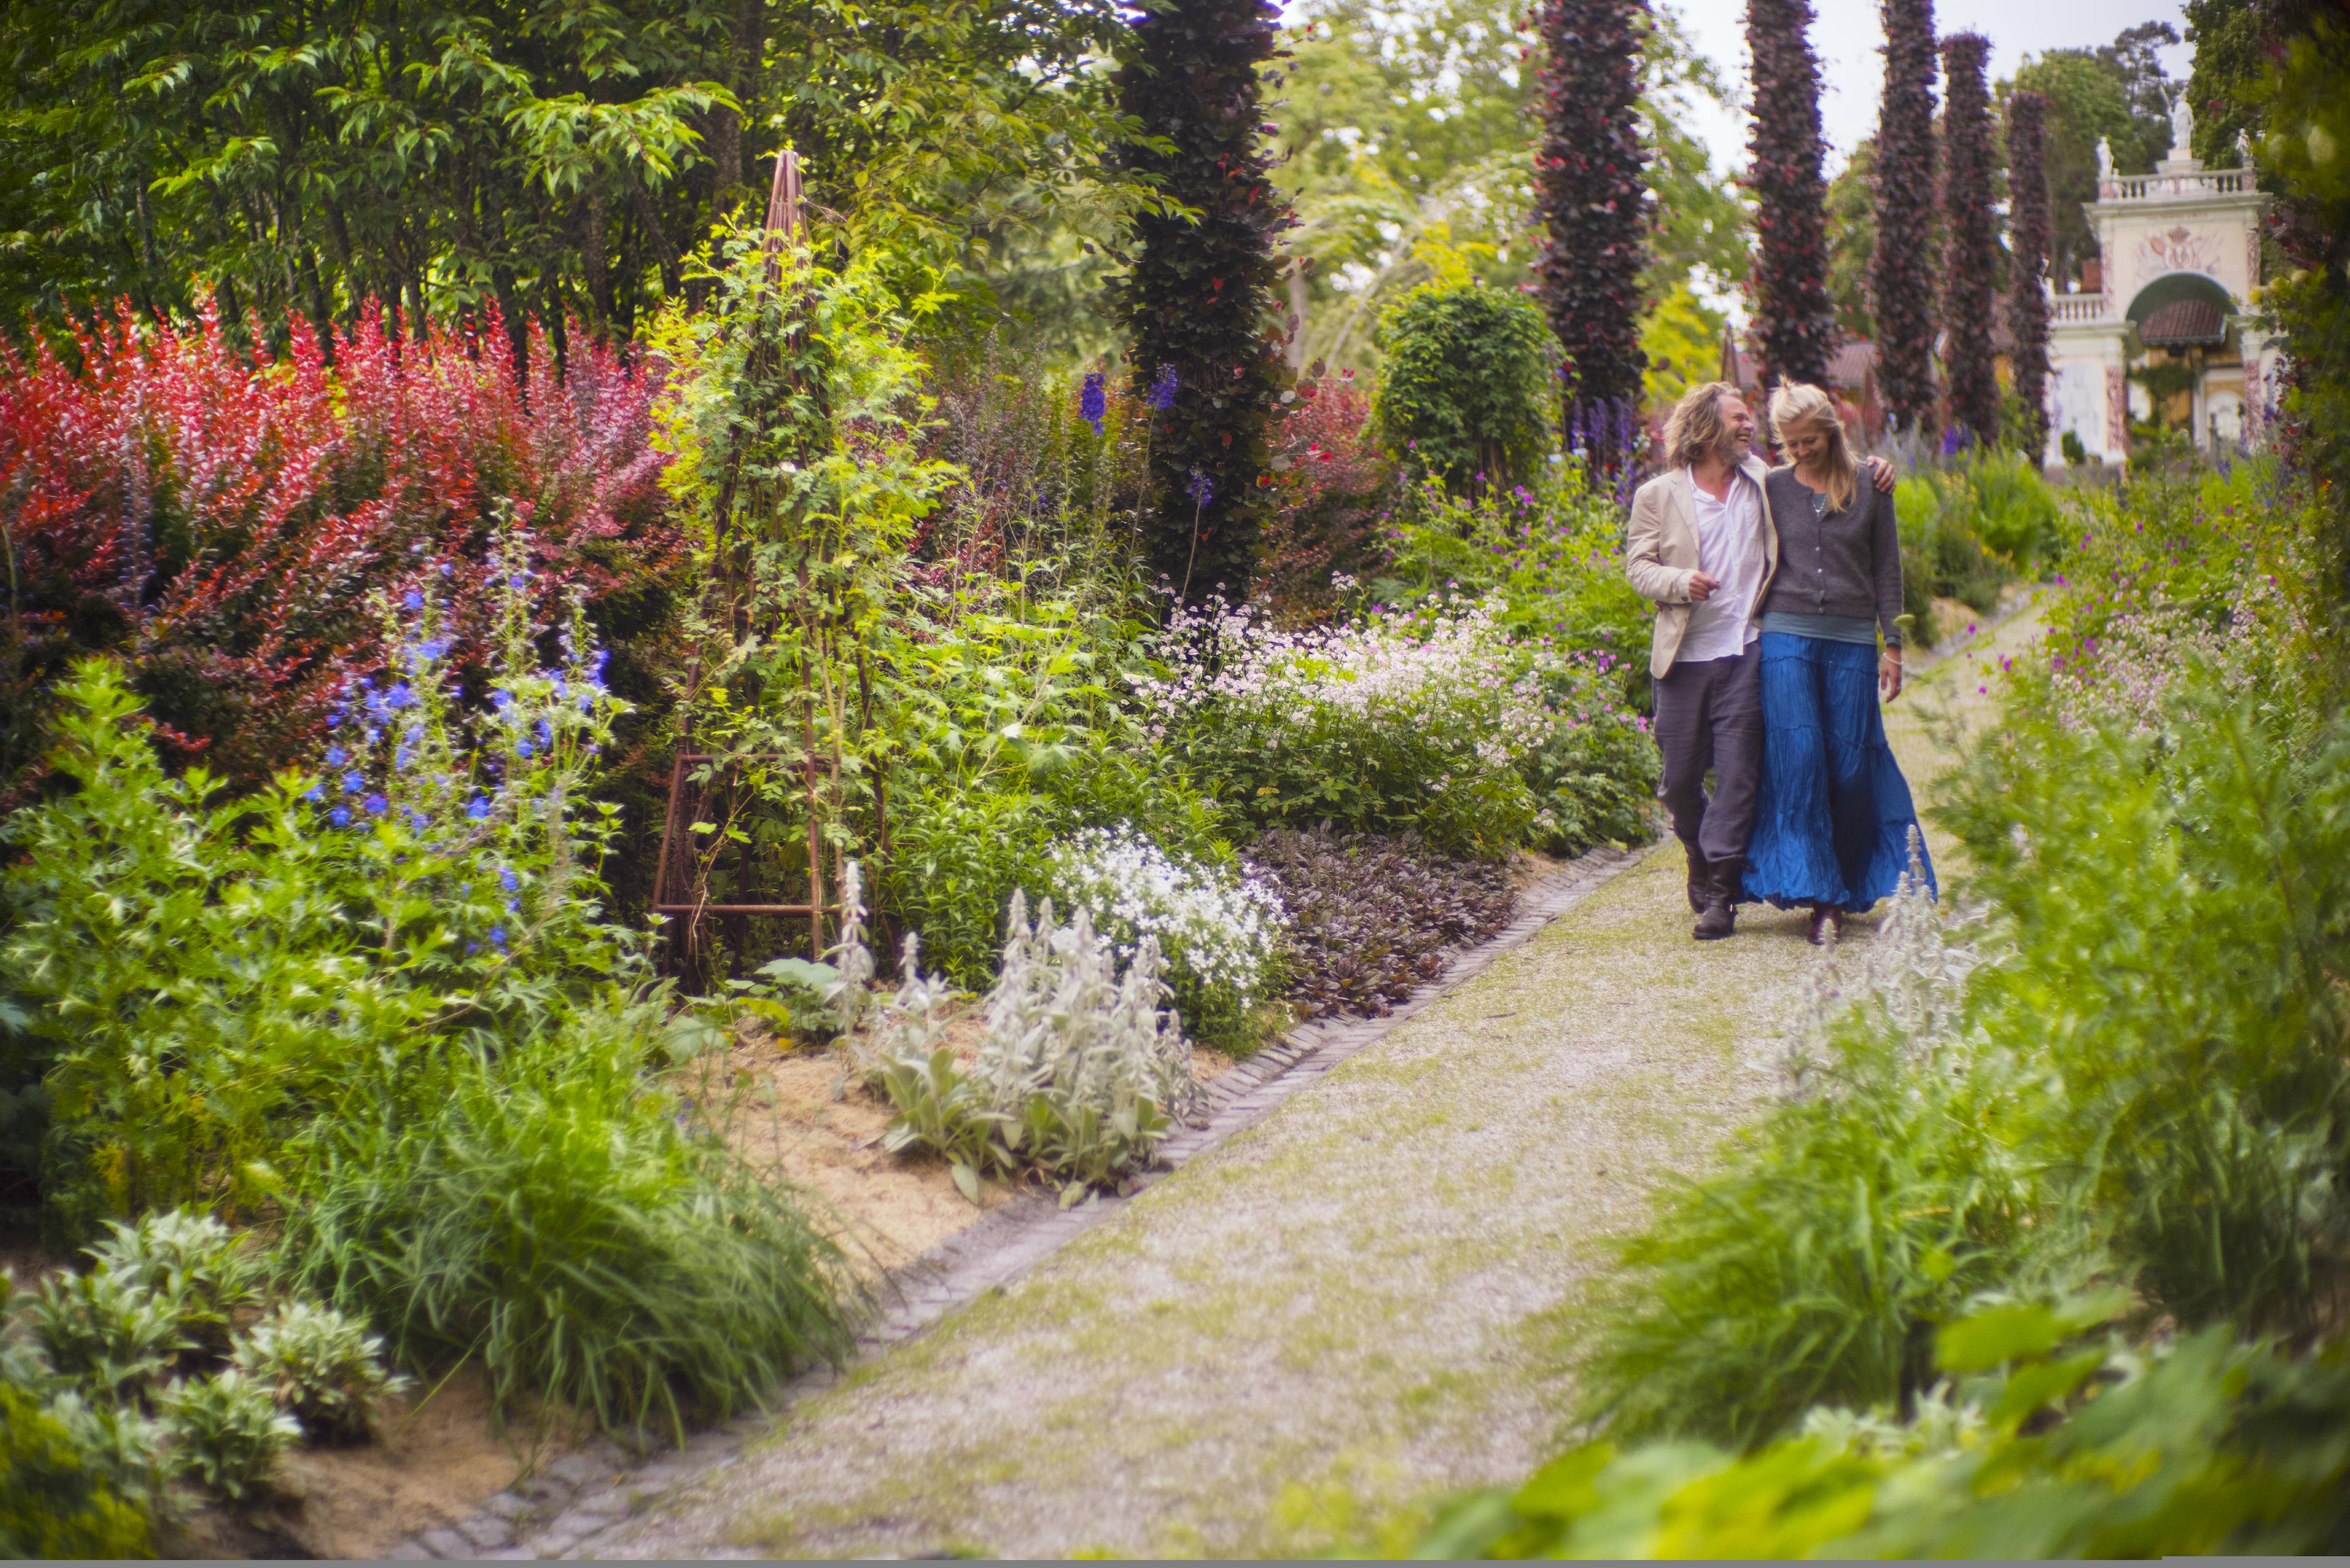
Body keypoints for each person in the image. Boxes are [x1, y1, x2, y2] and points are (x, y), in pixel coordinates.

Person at [1741, 380, 1936, 943]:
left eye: (1809, 441)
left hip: (1851, 637)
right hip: (1785, 636)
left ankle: (1853, 881)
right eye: (1790, 443)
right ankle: (1821, 897)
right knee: (1799, 758)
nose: (1799, 452)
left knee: (1850, 767)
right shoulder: (1771, 486)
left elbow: (1887, 569)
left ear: (1830, 431)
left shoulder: (1871, 485)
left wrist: (1893, 647)